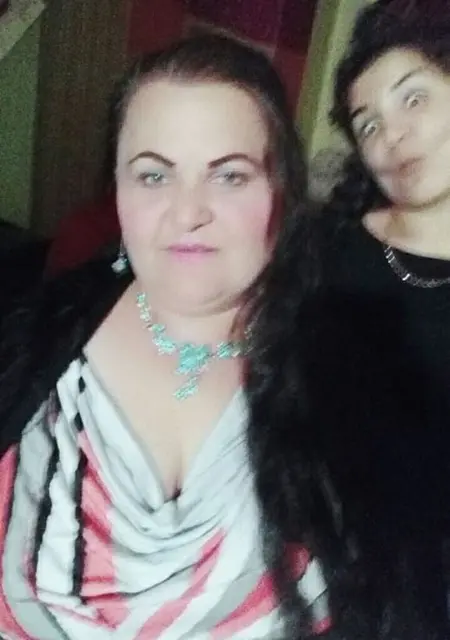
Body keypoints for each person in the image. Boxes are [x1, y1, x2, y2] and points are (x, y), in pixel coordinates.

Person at [0, 33, 341, 640]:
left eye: (229, 176)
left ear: (281, 190)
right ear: (117, 189)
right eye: (154, 175)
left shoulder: (353, 384)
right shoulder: (25, 339)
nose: (188, 213)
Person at [253, 1, 450, 638]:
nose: (391, 135)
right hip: (302, 567)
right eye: (368, 124)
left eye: (413, 99)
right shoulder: (324, 247)